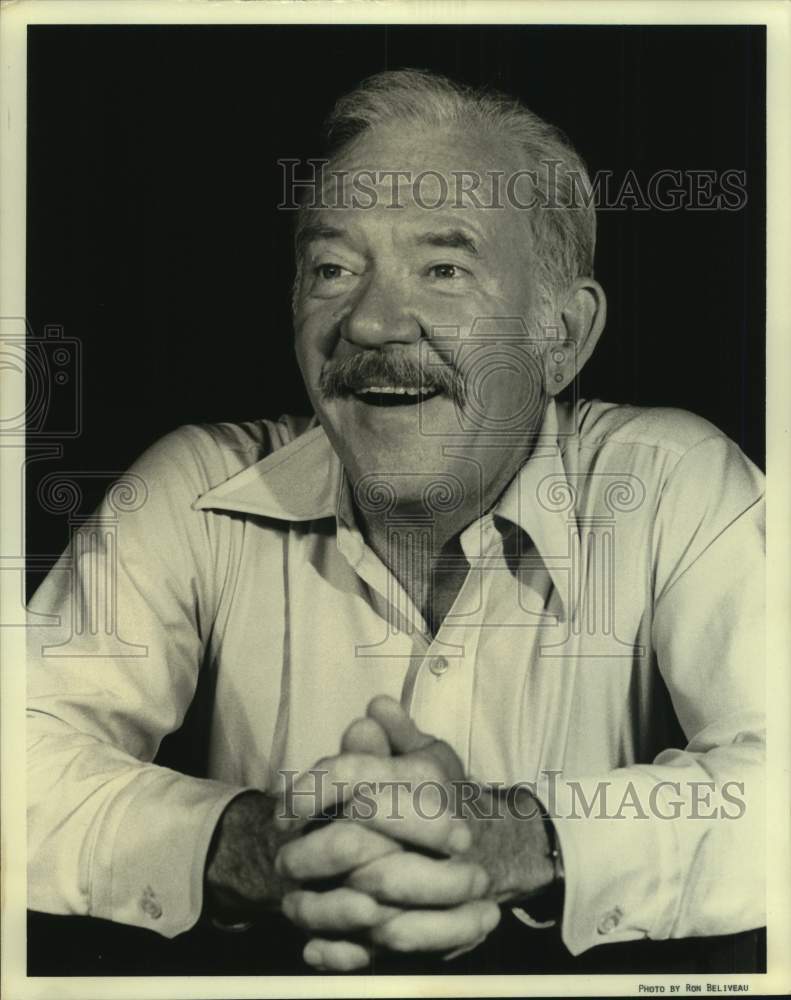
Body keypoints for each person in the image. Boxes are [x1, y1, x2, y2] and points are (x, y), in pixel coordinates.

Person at [27, 69, 765, 973]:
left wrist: (517, 840)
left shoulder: (673, 481)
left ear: (561, 336)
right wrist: (251, 843)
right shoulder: (195, 487)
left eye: (444, 268)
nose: (371, 323)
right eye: (332, 269)